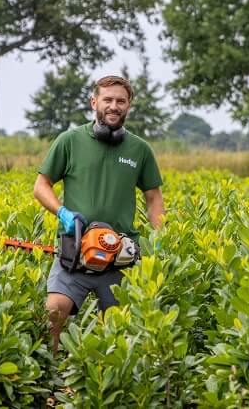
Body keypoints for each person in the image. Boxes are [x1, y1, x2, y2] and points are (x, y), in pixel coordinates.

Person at [33, 74, 164, 352]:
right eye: (108, 99)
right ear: (94, 102)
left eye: (121, 101)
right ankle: (52, 383)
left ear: (128, 106)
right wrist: (63, 213)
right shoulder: (70, 140)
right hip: (75, 250)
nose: (114, 106)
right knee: (52, 313)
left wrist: (158, 239)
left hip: (121, 257)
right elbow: (41, 185)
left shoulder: (140, 149)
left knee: (121, 332)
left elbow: (153, 198)